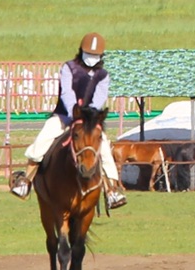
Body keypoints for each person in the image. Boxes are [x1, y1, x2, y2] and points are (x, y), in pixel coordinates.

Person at [11, 32, 126, 209]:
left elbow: (99, 99)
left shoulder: (103, 75)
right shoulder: (69, 68)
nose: (91, 58)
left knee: (103, 148)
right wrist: (75, 114)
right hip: (65, 116)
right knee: (43, 139)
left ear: (101, 56)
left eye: (95, 55)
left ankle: (112, 190)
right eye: (89, 54)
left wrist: (87, 118)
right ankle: (26, 181)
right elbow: (67, 93)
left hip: (88, 121)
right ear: (81, 51)